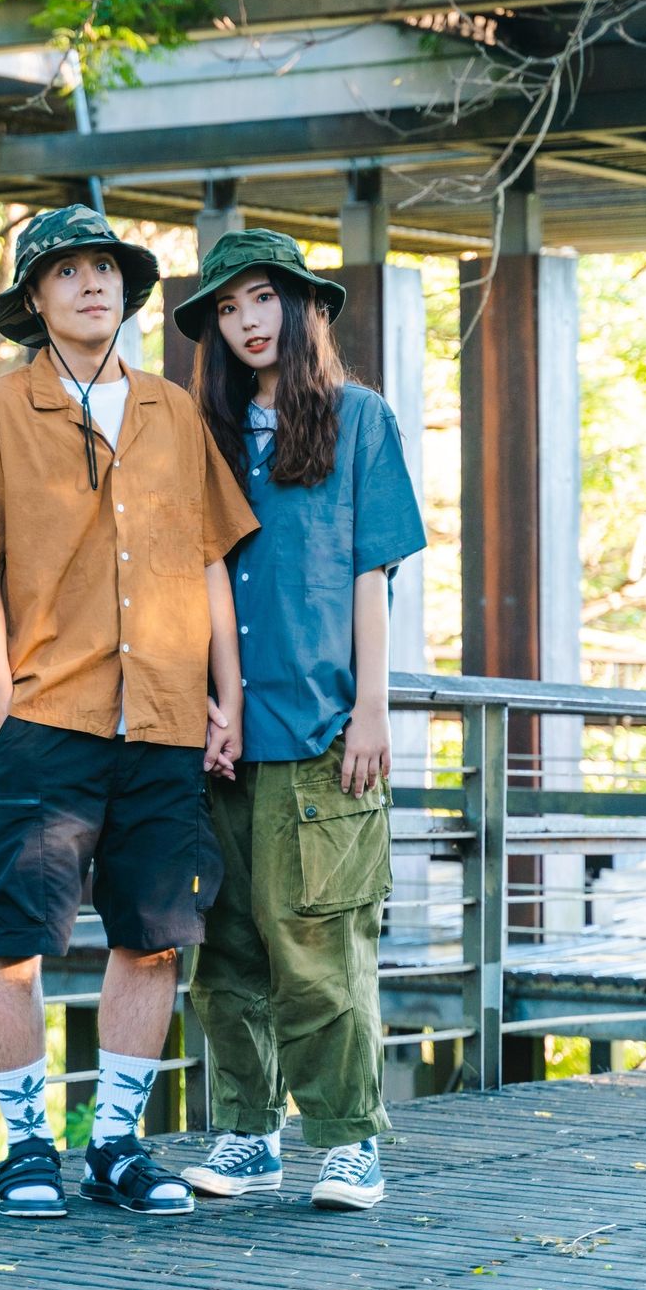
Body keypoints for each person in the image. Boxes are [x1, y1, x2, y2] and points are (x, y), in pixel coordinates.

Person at [0, 206, 257, 1219]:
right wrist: (0, 702)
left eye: (104, 267)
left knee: (153, 937)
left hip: (162, 717)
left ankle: (116, 1147)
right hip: (47, 718)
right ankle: (28, 1147)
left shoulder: (171, 411)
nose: (92, 283)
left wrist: (227, 698)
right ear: (35, 299)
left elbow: (209, 560)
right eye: (66, 272)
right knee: (13, 937)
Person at [172, 229, 426, 1211]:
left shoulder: (361, 420)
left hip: (323, 732)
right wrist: (208, 704)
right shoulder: (208, 436)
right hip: (223, 739)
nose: (246, 322)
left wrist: (372, 711)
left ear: (303, 305)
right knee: (226, 952)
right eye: (227, 308)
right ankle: (248, 1134)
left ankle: (349, 1140)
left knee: (318, 949)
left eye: (262, 298)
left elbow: (371, 575)